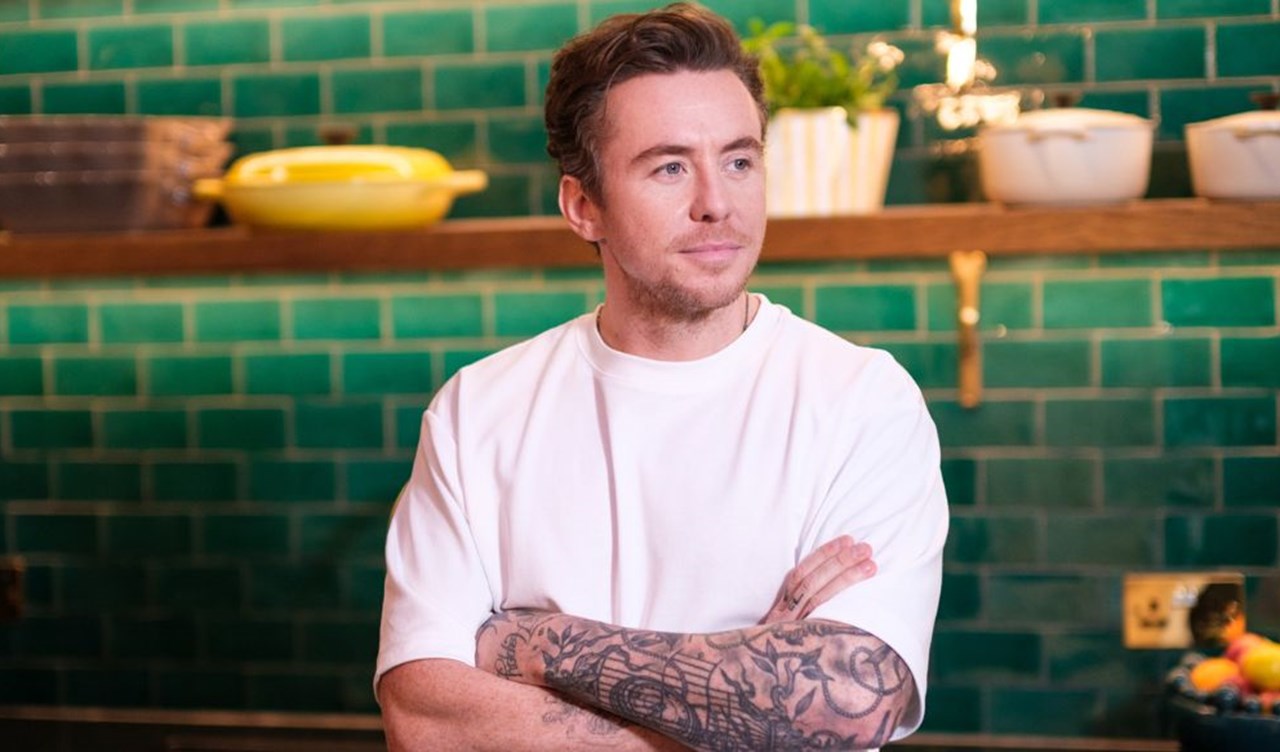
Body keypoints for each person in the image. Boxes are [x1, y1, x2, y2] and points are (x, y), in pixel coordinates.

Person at [375, 4, 948, 750]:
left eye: (740, 160)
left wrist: (542, 645)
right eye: (670, 166)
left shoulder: (862, 400)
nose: (717, 203)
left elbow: (846, 701)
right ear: (584, 206)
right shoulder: (478, 410)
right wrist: (739, 701)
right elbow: (425, 719)